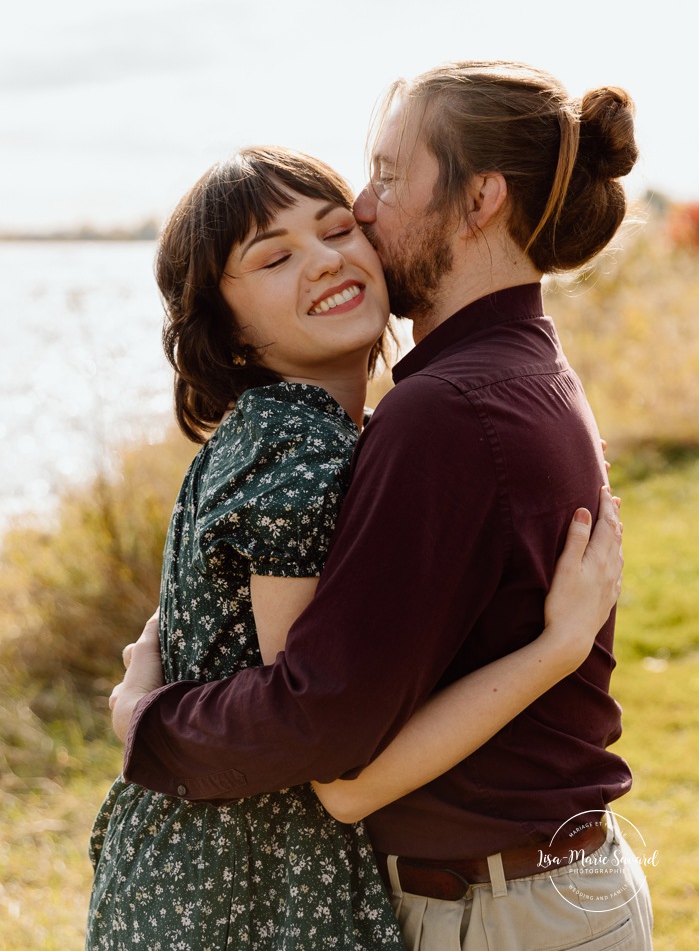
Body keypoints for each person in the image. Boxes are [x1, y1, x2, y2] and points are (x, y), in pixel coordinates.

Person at [115, 61, 652, 950]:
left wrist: (148, 722)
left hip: (500, 909)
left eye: (390, 175)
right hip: (530, 894)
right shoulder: (516, 367)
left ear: (479, 199)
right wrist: (555, 649)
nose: (364, 206)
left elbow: (327, 734)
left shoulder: (444, 410)